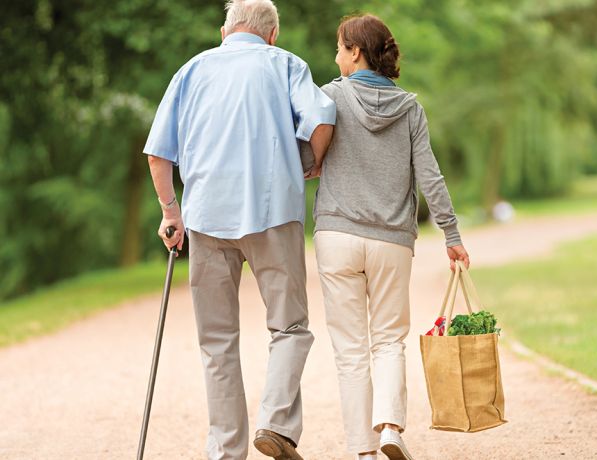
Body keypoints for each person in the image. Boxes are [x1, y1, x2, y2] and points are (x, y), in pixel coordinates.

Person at [143, 1, 335, 459]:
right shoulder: (286, 64)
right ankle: (275, 423)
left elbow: (158, 154)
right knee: (289, 327)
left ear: (223, 31)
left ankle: (227, 452)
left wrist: (172, 212)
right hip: (273, 212)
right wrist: (310, 163)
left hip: (207, 217)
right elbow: (323, 119)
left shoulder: (190, 71)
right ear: (272, 34)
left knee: (216, 341)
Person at [310, 13, 469, 460]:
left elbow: (307, 156)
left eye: (340, 47)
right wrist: (450, 233)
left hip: (337, 234)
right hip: (392, 241)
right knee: (388, 340)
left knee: (350, 349)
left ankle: (362, 450)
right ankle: (391, 431)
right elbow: (430, 176)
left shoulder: (330, 97)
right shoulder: (411, 108)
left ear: (356, 53)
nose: (335, 55)